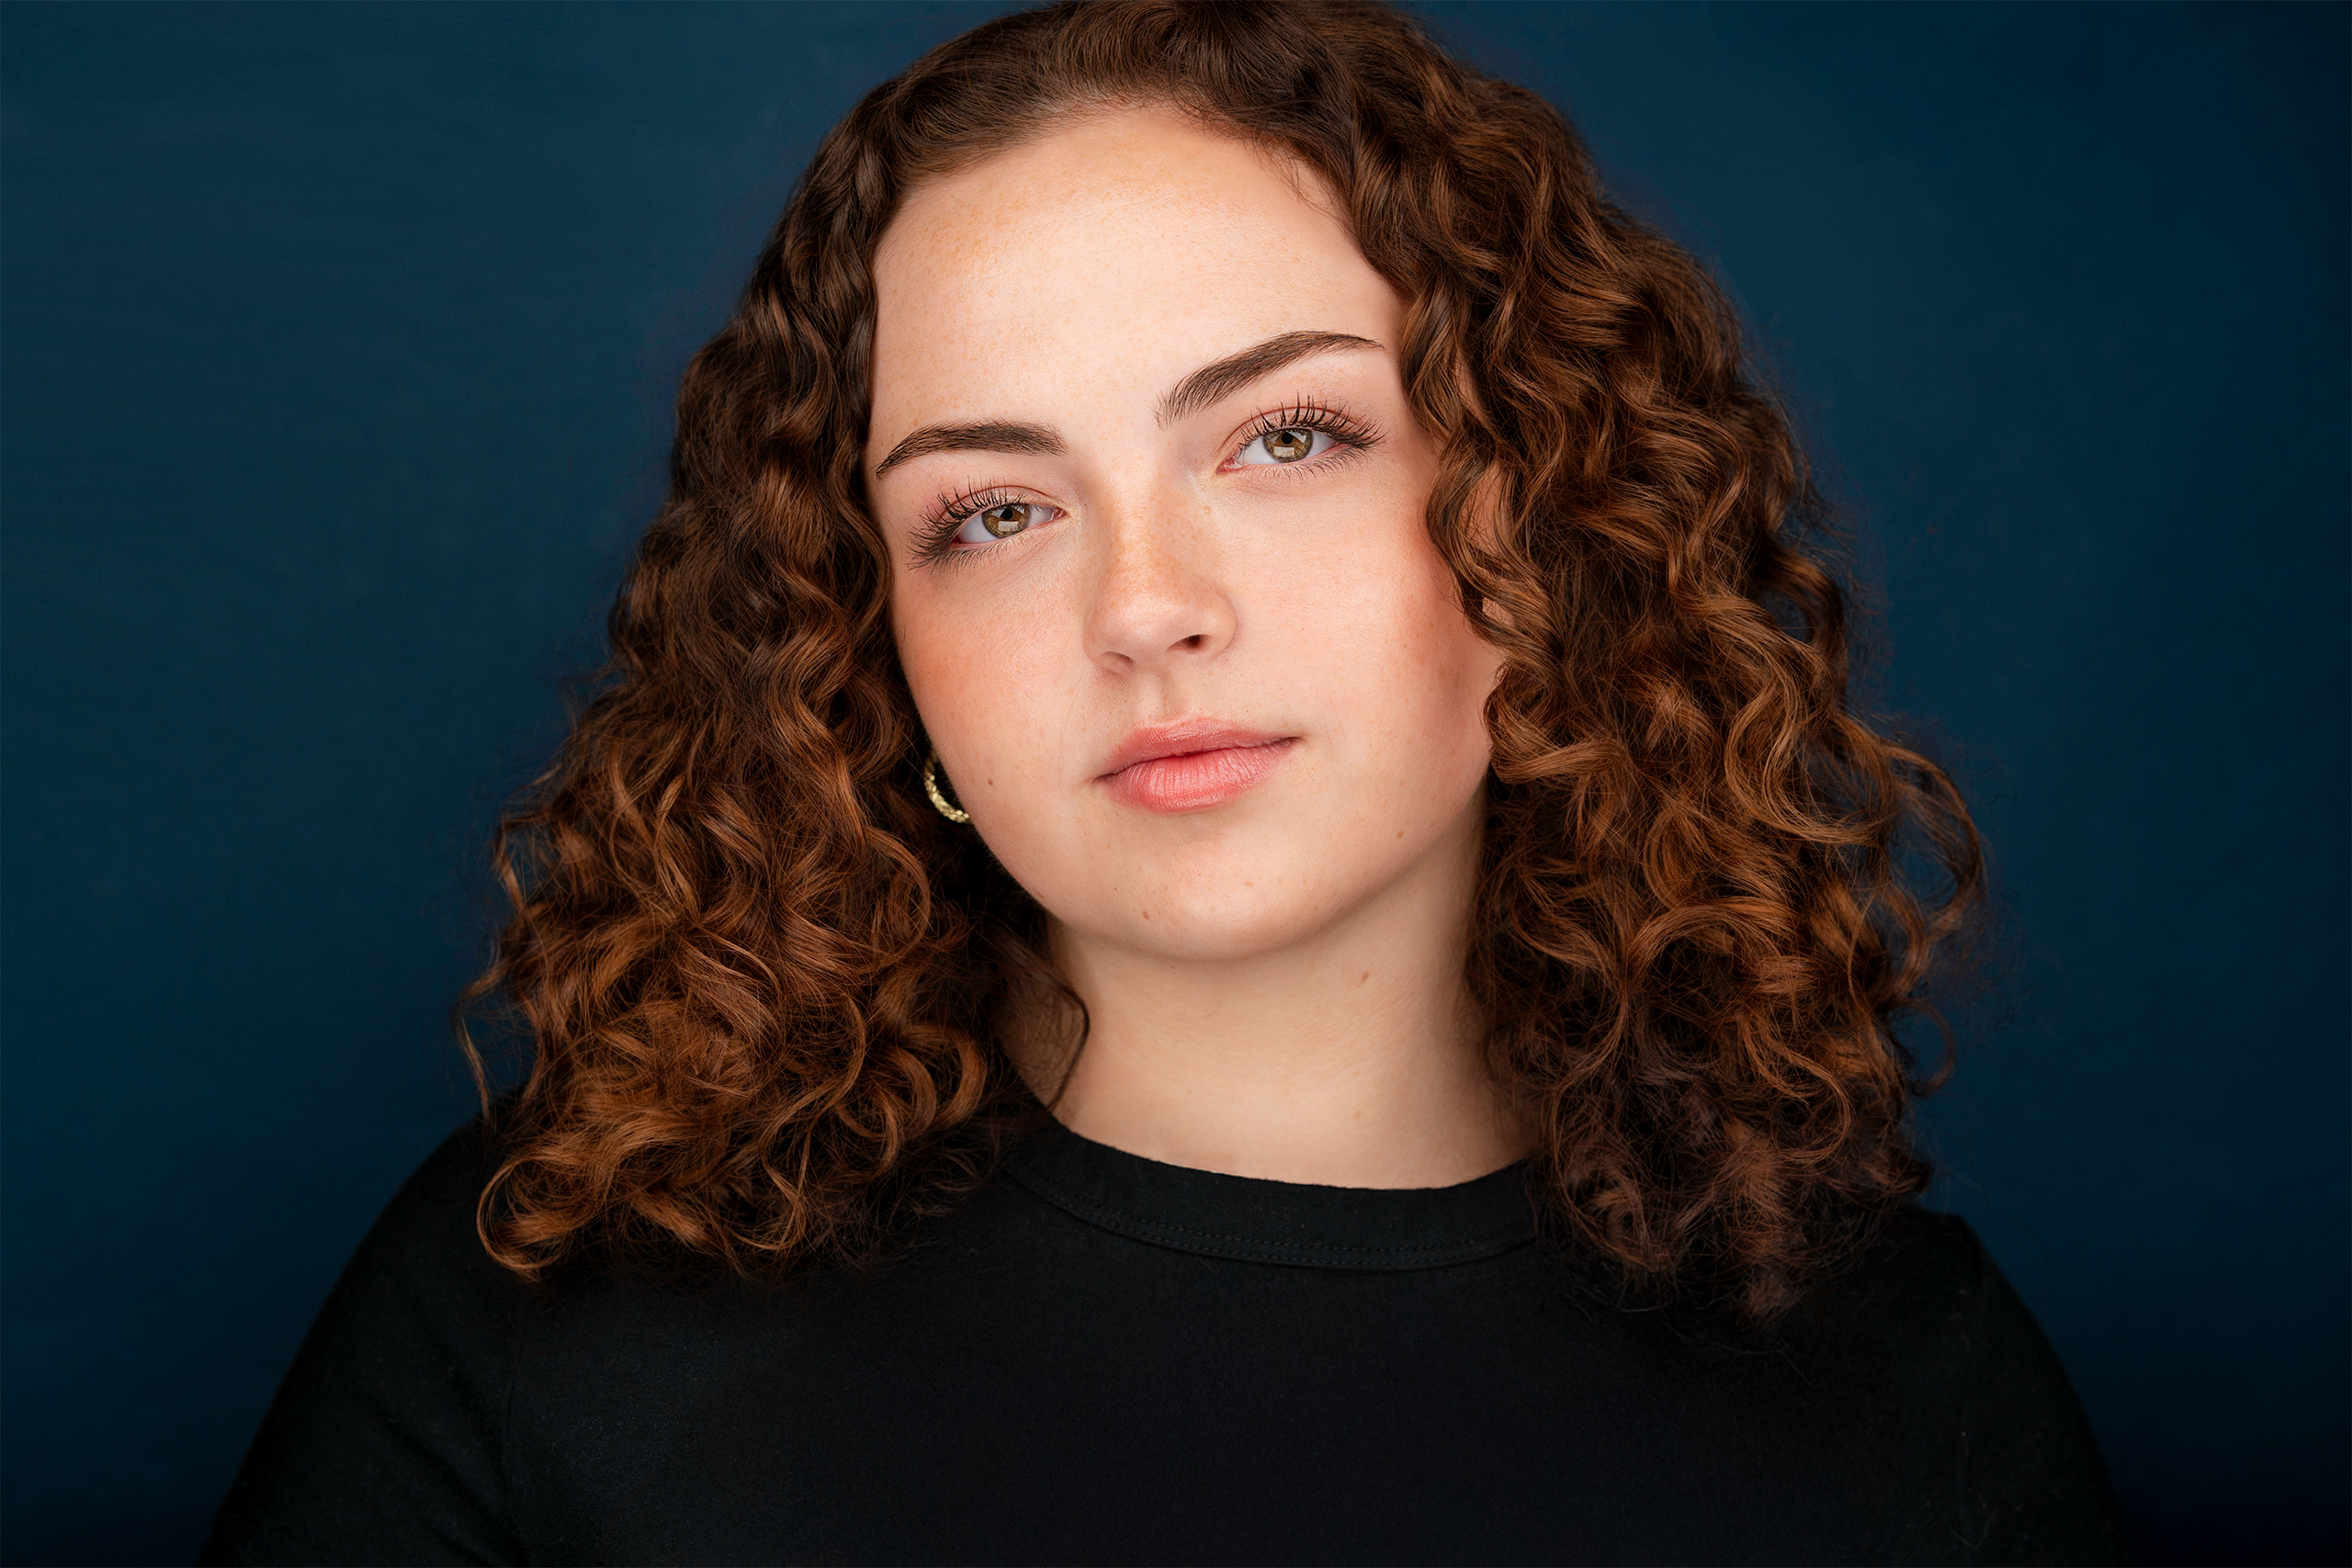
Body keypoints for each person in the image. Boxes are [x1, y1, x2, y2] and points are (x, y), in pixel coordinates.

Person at [202, 3, 2125, 1562]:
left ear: (1542, 523)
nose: (1145, 606)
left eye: (1285, 435)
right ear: (876, 654)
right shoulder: (552, 1302)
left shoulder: (1910, 1389)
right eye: (993, 509)